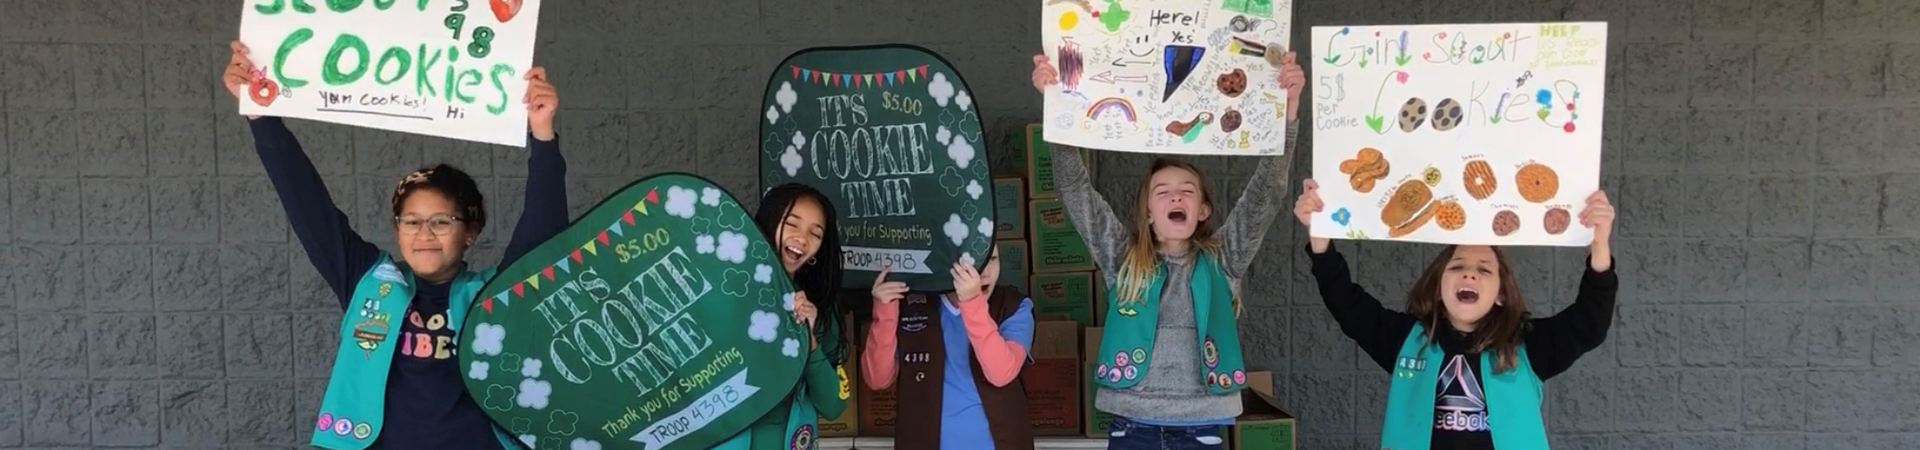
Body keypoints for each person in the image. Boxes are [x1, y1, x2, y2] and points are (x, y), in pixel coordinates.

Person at [222, 40, 568, 450]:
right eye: (412, 221)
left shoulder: (492, 296)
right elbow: (306, 204)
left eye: (441, 221)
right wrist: (262, 117)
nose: (424, 233)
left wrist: (543, 137)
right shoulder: (367, 280)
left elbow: (543, 237)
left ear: (470, 231)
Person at [1030, 52, 1305, 449]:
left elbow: (1266, 194)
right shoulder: (1122, 258)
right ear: (1148, 213)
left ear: (1202, 210)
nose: (1175, 195)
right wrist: (1054, 102)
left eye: (1187, 191)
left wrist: (1288, 112)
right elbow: (1076, 192)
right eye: (1163, 192)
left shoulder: (1222, 260)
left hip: (1203, 425)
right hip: (1132, 422)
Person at [1293, 182, 1618, 449]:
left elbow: (1590, 322)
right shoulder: (1406, 341)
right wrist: (1321, 243)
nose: (1470, 276)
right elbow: (1348, 306)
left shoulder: (1527, 345)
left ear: (1501, 294)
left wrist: (1600, 245)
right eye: (1458, 266)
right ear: (1438, 287)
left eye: (1484, 270)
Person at [712, 183, 851, 450]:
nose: (802, 238)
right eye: (792, 224)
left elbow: (834, 405)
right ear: (769, 222)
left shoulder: (818, 307)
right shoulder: (725, 289)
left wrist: (808, 341)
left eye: (816, 233)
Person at [861, 246, 1037, 450]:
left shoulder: (1015, 306)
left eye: (993, 259)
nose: (986, 270)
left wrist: (972, 303)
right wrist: (884, 313)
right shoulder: (912, 304)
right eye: (975, 259)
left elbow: (1001, 373)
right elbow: (877, 379)